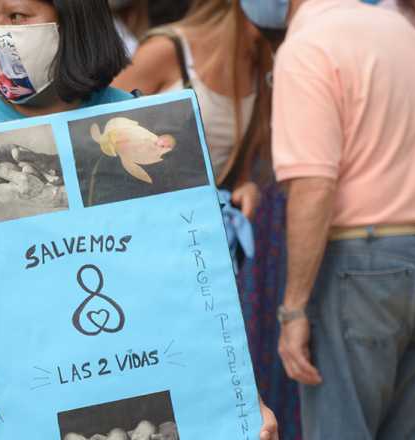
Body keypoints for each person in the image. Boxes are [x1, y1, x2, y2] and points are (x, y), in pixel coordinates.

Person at [0, 1, 280, 439]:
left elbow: (192, 279)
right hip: (8, 412)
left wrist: (240, 398)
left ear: (73, 15)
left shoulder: (133, 119)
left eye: (16, 17)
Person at [112, 4, 300, 437]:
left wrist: (247, 185)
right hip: (141, 252)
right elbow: (99, 136)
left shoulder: (265, 59)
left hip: (205, 259)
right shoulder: (168, 50)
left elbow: (243, 165)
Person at [239, 0, 415, 439]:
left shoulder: (308, 46)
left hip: (358, 265)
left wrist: (294, 307)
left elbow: (313, 186)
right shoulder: (400, 31)